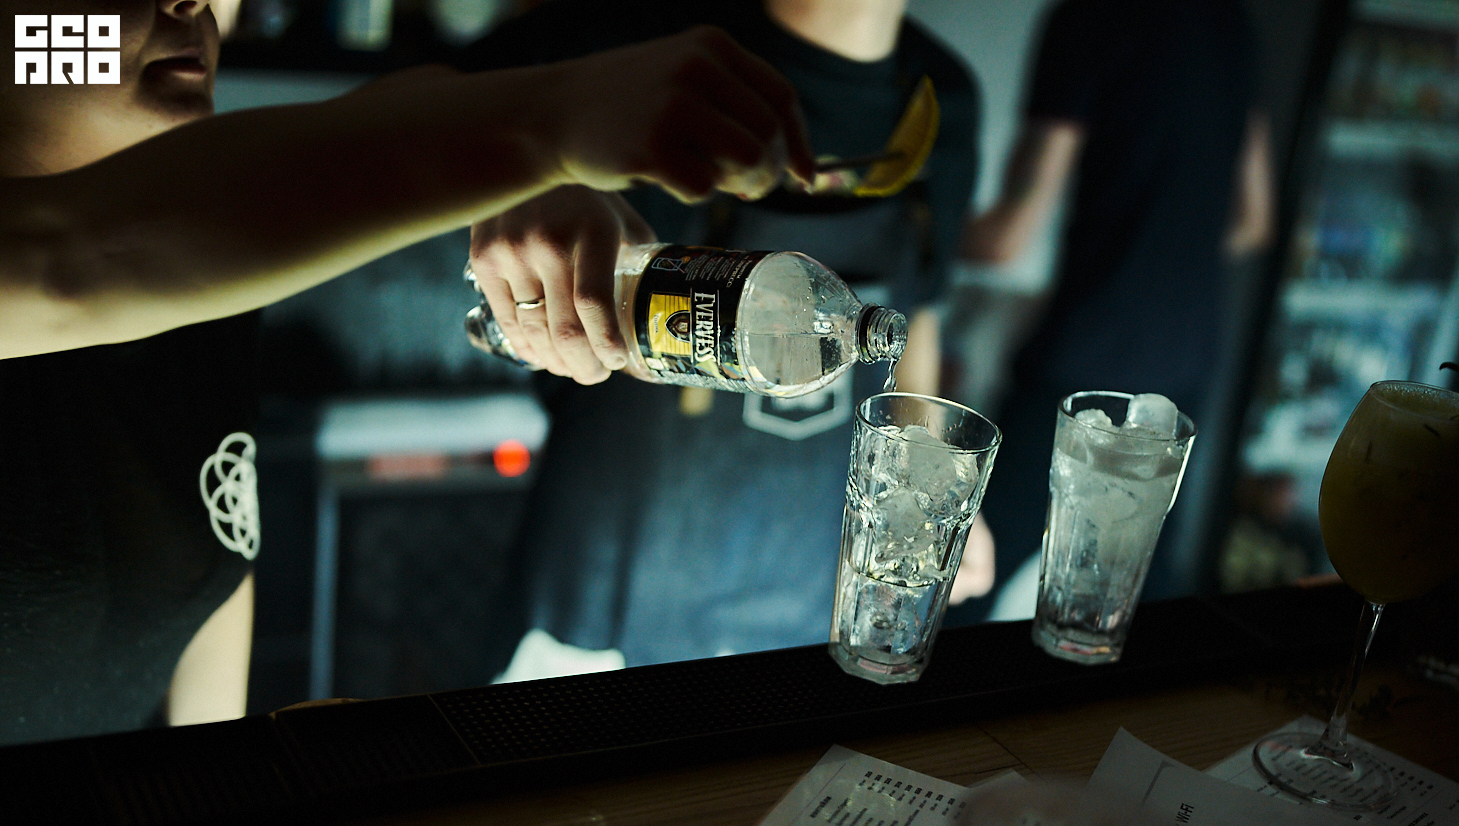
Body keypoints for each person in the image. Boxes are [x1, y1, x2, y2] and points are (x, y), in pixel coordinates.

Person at [0, 0, 814, 745]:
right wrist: (534, 132)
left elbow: (205, 569)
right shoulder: (86, 262)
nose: (195, 3)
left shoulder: (210, 285)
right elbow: (70, 259)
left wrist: (515, 177)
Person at [455, 0, 984, 679]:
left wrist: (928, 488)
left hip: (803, 579)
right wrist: (514, 177)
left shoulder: (940, 99)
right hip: (605, 584)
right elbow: (419, 127)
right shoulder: (632, 44)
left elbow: (917, 315)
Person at [947, 0, 1273, 621]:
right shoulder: (1230, 23)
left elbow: (1006, 237)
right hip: (1188, 352)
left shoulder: (1089, 19)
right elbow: (1253, 221)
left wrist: (905, 224)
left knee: (967, 569)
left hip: (1091, 349)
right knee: (1140, 583)